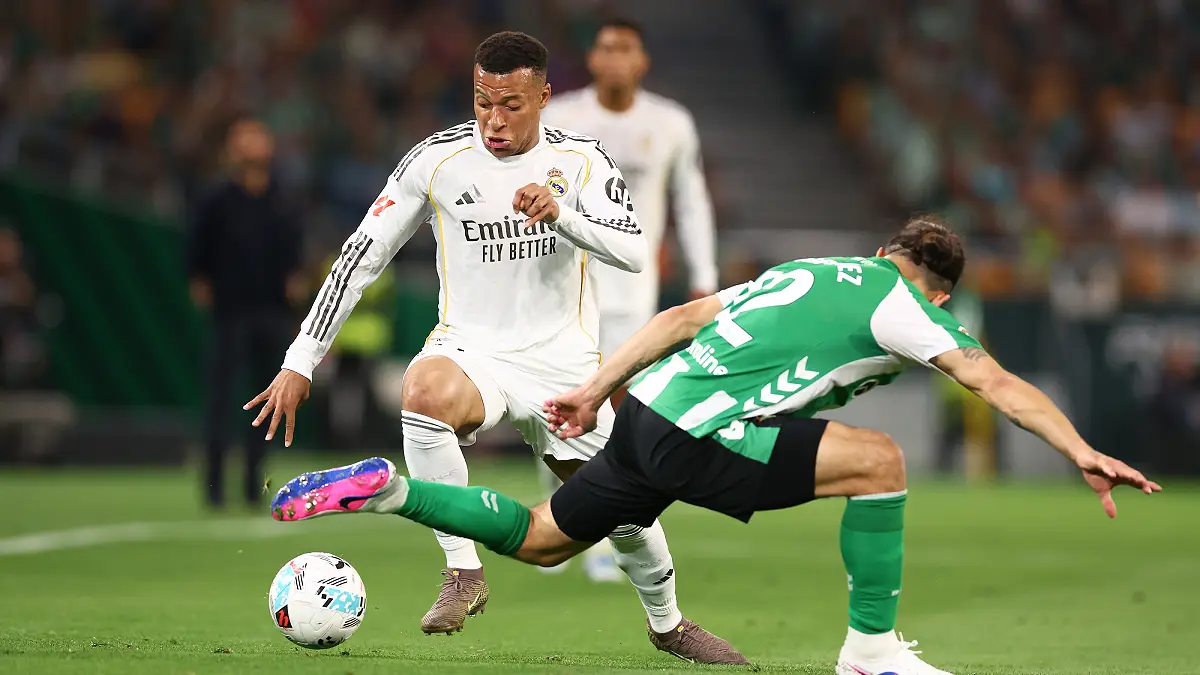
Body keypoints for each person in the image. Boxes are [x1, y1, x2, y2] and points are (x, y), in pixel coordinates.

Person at [267, 217, 1160, 674]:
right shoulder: (907, 304)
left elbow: (683, 315)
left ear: (884, 245)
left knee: (540, 539)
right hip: (703, 435)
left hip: (650, 409)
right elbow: (994, 381)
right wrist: (1079, 445)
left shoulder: (804, 271)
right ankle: (871, 652)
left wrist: (595, 388)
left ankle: (392, 488)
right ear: (931, 281)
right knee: (881, 462)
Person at [244, 31, 745, 664]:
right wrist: (300, 359)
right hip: (471, 351)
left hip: (565, 371)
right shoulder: (437, 160)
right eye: (482, 100)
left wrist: (561, 213)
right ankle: (463, 570)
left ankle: (668, 624)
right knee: (423, 393)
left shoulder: (583, 160)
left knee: (627, 511)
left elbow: (635, 250)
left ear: (543, 97)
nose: (493, 118)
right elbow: (359, 256)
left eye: (510, 103)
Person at [537, 17, 719, 582]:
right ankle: (554, 518)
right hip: (563, 286)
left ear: (642, 61)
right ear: (592, 58)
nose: (615, 57)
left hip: (631, 294)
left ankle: (597, 530)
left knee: (614, 410)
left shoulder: (669, 124)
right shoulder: (561, 118)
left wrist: (704, 277)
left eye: (626, 49)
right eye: (606, 47)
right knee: (552, 407)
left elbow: (691, 201)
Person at [187, 118, 304, 509]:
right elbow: (195, 253)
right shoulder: (217, 199)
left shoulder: (281, 199)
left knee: (266, 402)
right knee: (221, 401)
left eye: (258, 137)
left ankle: (256, 483)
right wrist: (202, 284)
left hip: (271, 313)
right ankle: (215, 486)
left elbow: (294, 255)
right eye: (244, 139)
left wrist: (294, 286)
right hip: (230, 313)